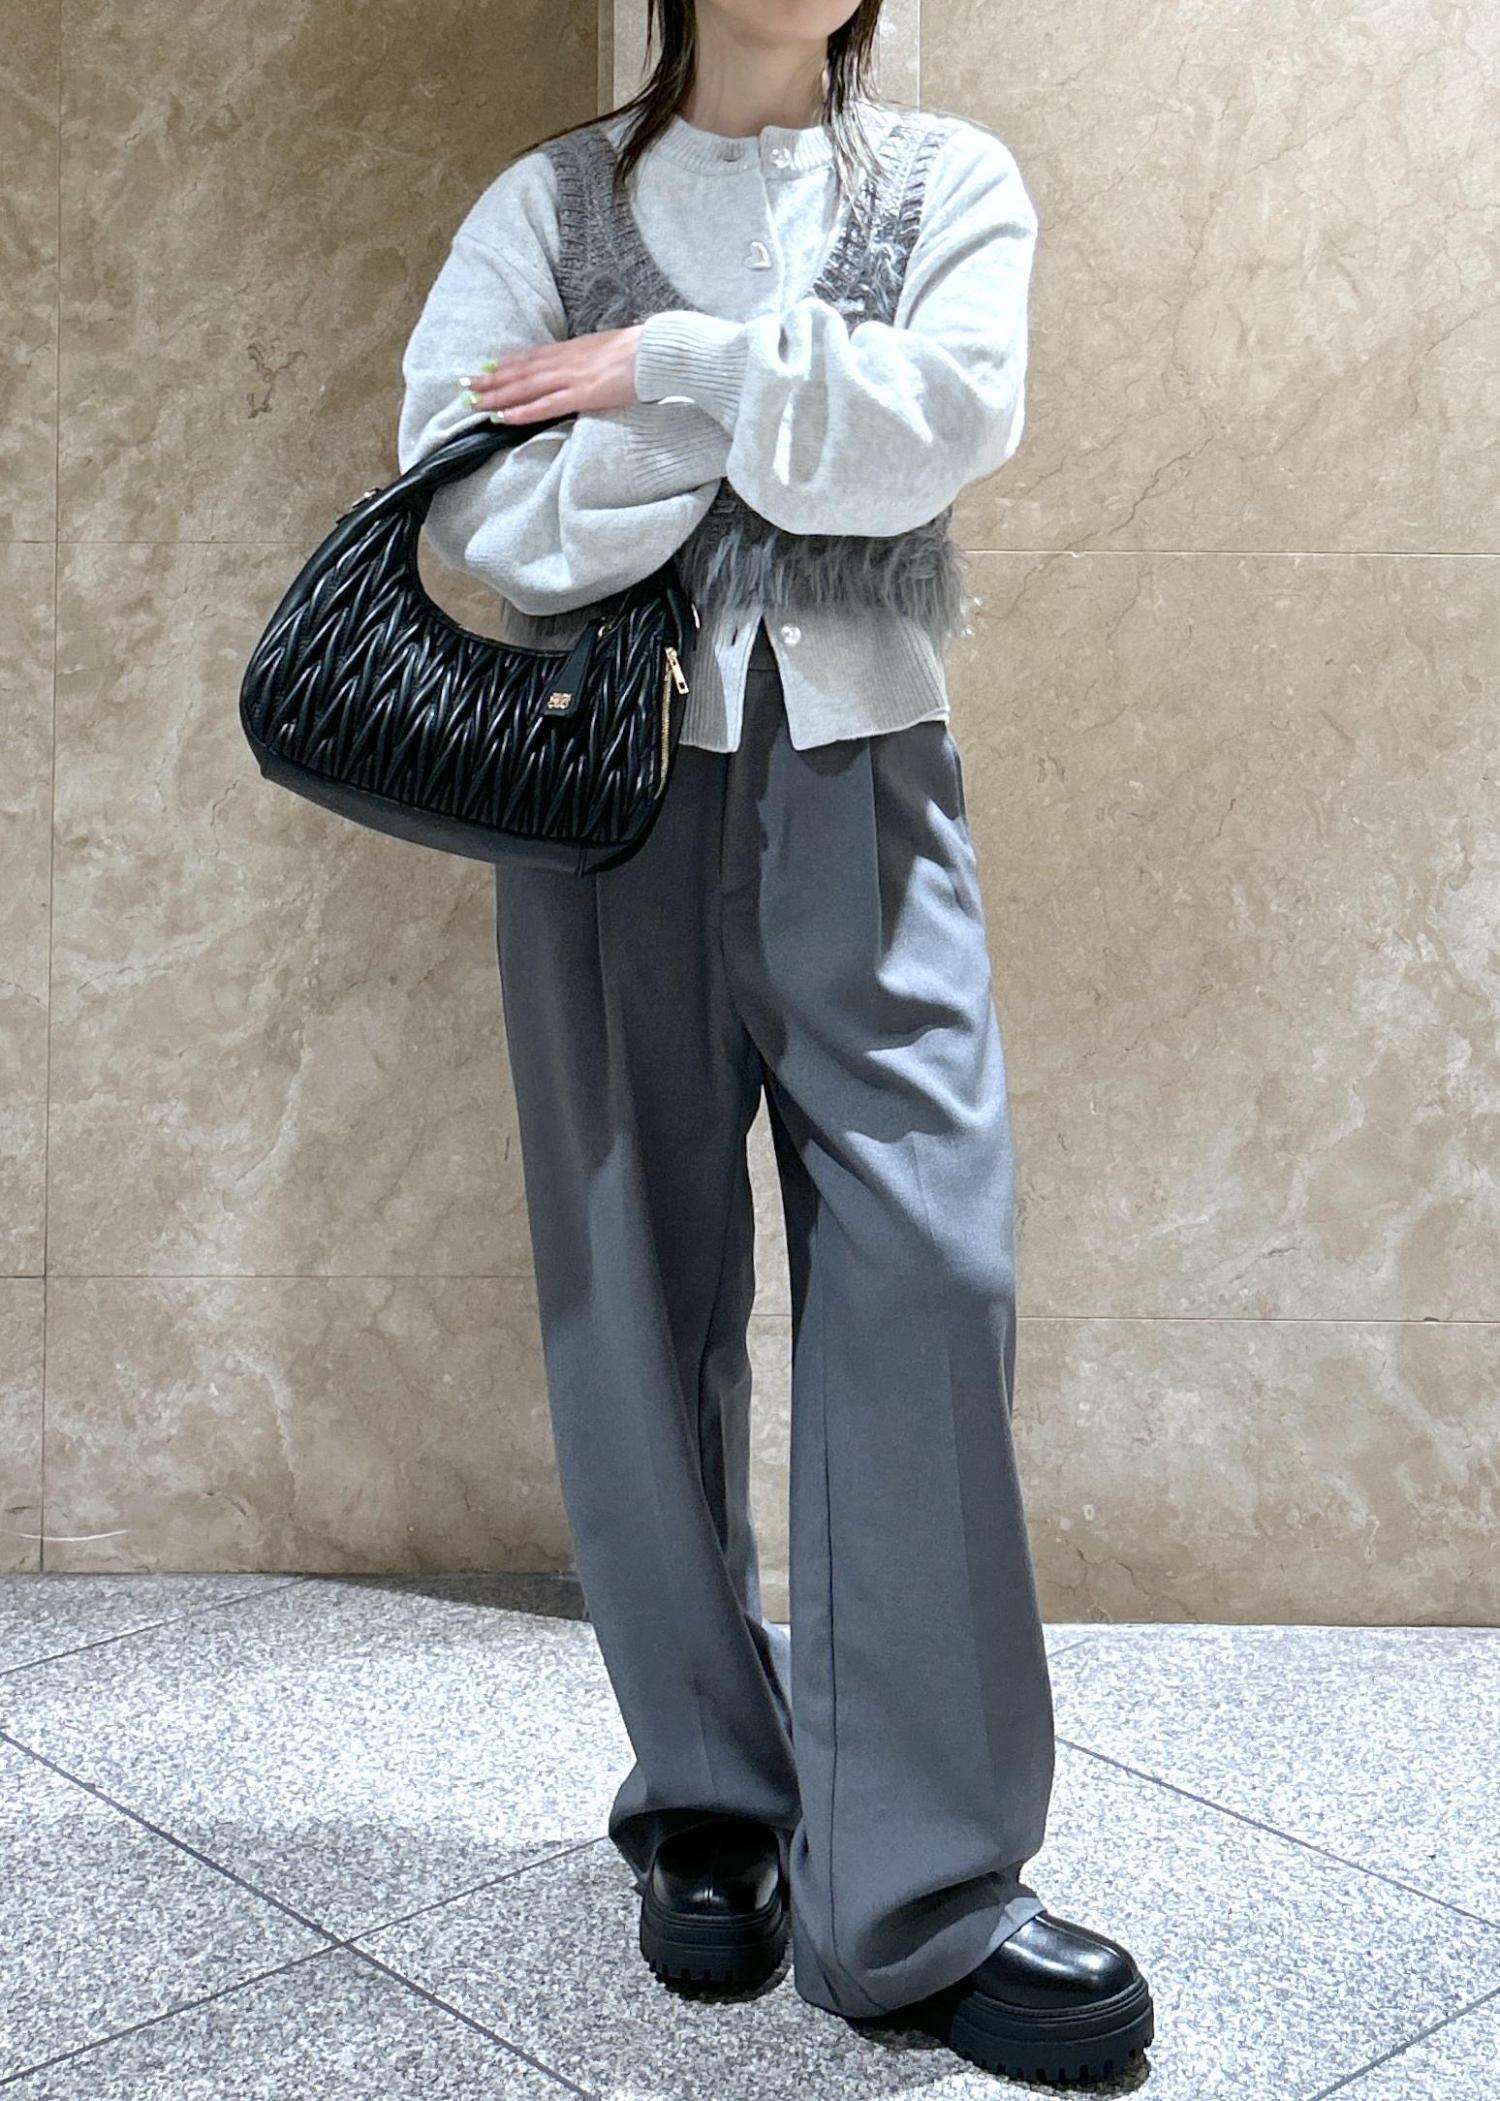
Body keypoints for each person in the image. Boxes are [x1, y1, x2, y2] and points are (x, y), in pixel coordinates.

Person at [397, 0, 1154, 2084]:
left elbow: (946, 421)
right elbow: (464, 489)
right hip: (603, 797)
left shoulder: (947, 183)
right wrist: (775, 405)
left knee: (931, 1264)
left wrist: (663, 369)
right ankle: (713, 1801)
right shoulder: (545, 203)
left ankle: (921, 1888)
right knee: (631, 1283)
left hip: (867, 778)